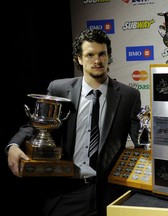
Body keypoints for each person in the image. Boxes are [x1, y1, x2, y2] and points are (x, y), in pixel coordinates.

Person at [5, 28, 142, 216]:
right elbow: (38, 125)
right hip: (67, 191)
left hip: (109, 194)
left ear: (108, 56)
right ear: (79, 59)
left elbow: (141, 141)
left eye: (102, 54)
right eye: (90, 55)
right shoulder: (59, 89)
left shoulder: (129, 96)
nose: (97, 60)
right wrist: (13, 145)